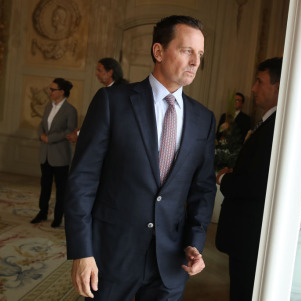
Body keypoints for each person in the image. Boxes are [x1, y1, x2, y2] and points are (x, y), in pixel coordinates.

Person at [64, 15, 216, 300]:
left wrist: (195, 243)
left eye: (200, 54)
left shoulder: (203, 119)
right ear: (158, 51)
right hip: (112, 256)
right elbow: (82, 181)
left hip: (170, 263)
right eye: (187, 51)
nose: (196, 61)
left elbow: (203, 189)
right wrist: (82, 252)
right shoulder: (112, 102)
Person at [215, 57, 283, 301]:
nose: (253, 88)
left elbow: (255, 185)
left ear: (277, 87)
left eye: (259, 81)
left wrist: (224, 179)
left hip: (250, 235)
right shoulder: (270, 123)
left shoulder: (275, 127)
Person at [31, 78, 78, 228]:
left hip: (60, 155)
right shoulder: (48, 107)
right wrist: (41, 135)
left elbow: (70, 131)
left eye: (52, 89)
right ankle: (42, 212)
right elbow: (41, 125)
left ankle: (58, 217)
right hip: (45, 154)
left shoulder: (70, 110)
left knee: (61, 188)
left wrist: (49, 138)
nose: (49, 92)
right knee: (44, 185)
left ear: (61, 92)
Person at [66, 58, 128, 143]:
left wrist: (80, 134)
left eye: (99, 70)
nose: (96, 74)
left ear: (110, 72)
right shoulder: (110, 91)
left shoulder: (116, 93)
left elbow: (102, 122)